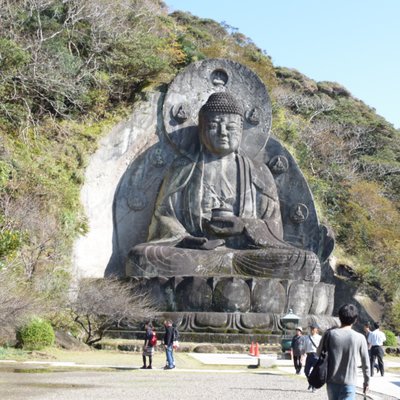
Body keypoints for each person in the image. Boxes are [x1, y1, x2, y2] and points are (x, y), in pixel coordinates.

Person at [128, 91, 320, 283]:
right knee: (142, 256)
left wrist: (245, 226)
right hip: (195, 254)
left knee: (305, 261)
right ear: (202, 129)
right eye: (213, 126)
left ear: (242, 130)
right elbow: (164, 216)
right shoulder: (184, 167)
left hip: (244, 255)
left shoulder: (259, 171)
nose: (222, 133)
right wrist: (186, 239)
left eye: (230, 127)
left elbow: (274, 227)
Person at [320, 304, 369, 399]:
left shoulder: (329, 334)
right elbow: (365, 363)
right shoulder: (360, 337)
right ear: (355, 319)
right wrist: (366, 382)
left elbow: (319, 354)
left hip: (331, 381)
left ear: (339, 317)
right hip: (349, 382)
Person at [303, 323, 322, 393]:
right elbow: (304, 347)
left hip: (316, 355)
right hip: (309, 355)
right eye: (311, 329)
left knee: (316, 372)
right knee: (306, 371)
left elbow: (321, 347)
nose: (312, 330)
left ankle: (314, 386)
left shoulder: (319, 338)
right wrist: (303, 354)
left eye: (313, 329)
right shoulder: (306, 337)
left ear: (316, 330)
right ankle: (311, 382)